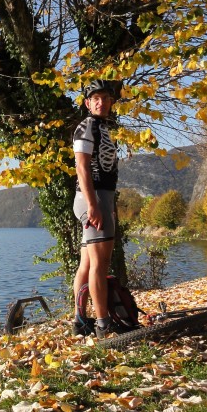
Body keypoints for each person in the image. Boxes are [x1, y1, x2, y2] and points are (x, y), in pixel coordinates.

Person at [72, 79, 122, 338]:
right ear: (88, 103)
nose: (101, 102)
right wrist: (94, 205)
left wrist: (107, 204)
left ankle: (80, 322)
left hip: (101, 197)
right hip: (93, 198)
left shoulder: (105, 128)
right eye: (96, 98)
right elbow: (82, 168)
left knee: (87, 262)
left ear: (111, 102)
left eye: (106, 98)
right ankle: (103, 324)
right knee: (100, 265)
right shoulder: (87, 126)